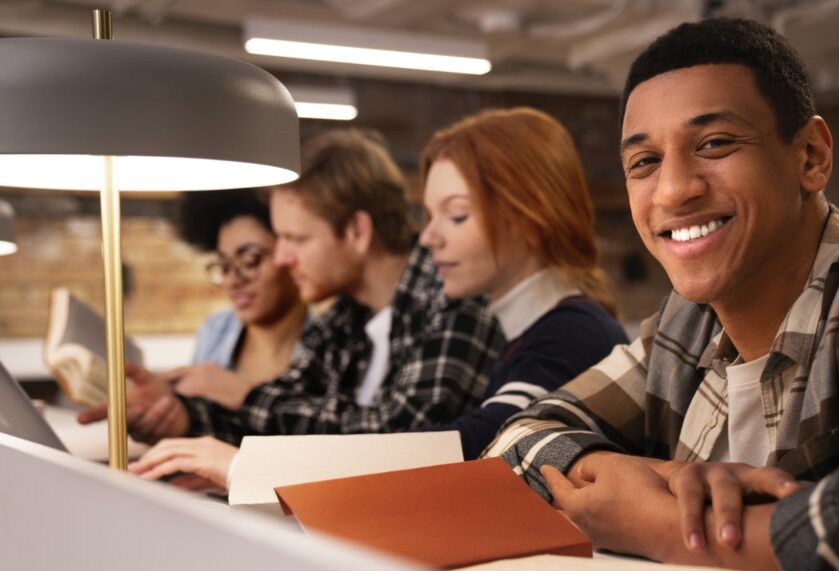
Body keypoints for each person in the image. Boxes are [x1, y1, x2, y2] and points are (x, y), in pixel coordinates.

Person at [482, 17, 839, 571]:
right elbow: (515, 439)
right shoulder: (685, 327)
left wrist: (660, 526)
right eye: (645, 162)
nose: (673, 189)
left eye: (715, 143)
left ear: (810, 156)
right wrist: (626, 476)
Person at [126, 107, 628, 487]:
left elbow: (475, 447)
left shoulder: (566, 330)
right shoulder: (534, 327)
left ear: (529, 218)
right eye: (430, 216)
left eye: (454, 215)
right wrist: (187, 416)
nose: (429, 239)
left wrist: (251, 463)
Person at [80, 128, 504, 481]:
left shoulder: (452, 299)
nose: (282, 257)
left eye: (296, 239)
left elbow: (402, 436)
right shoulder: (345, 318)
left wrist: (244, 395)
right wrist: (182, 416)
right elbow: (284, 415)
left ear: (357, 231)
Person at [162, 189, 308, 400]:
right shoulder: (215, 331)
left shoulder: (329, 346)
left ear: (289, 254)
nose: (232, 280)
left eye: (251, 260)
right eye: (224, 265)